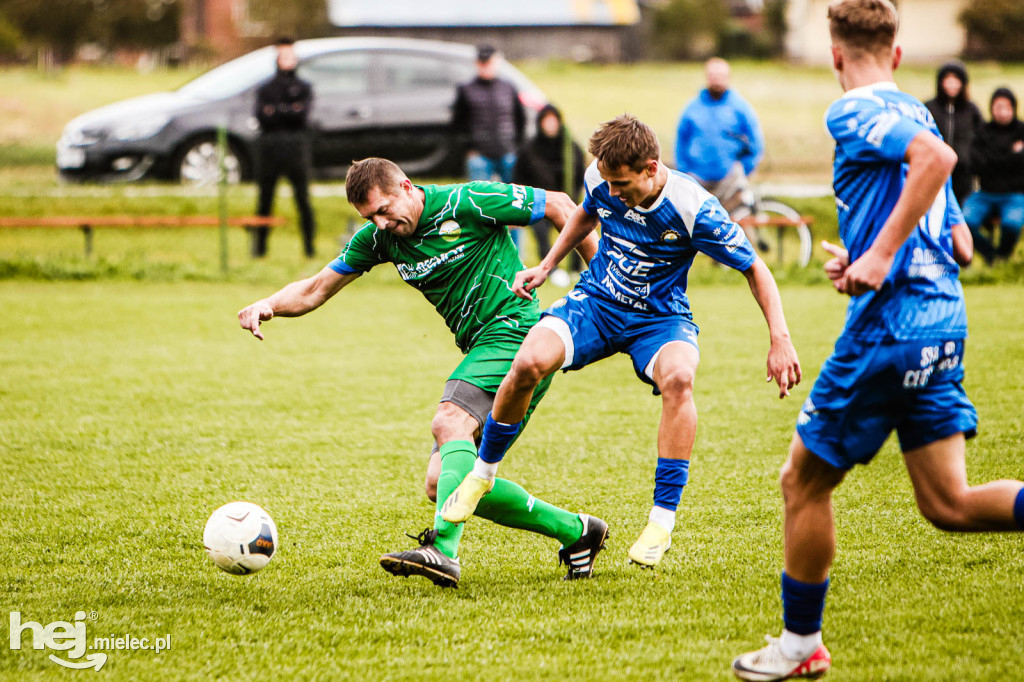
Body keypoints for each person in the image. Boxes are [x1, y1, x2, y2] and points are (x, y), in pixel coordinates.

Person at [732, 1, 1021, 679]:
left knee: (801, 481)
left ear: (837, 56)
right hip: (944, 320)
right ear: (896, 54)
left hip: (891, 326)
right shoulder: (914, 110)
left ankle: (801, 646)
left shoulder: (853, 109)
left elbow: (938, 156)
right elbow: (959, 241)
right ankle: (800, 646)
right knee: (947, 503)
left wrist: (881, 255)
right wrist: (861, 254)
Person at [440, 114, 801, 570]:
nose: (612, 191)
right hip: (597, 301)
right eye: (607, 182)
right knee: (528, 360)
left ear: (651, 168)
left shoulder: (694, 207)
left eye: (622, 184)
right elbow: (585, 213)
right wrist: (547, 265)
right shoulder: (601, 176)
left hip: (659, 318)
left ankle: (661, 521)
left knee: (680, 378)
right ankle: (482, 475)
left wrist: (780, 339)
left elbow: (755, 268)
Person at [238, 158, 605, 588]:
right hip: (484, 348)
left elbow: (561, 204)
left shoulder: (468, 200)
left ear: (406, 187)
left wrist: (603, 281)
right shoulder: (379, 240)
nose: (381, 222)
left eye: (384, 209)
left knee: (448, 420)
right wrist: (269, 304)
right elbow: (316, 288)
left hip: (516, 332)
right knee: (441, 484)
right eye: (369, 217)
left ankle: (443, 552)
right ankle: (578, 533)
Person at [451, 44, 527, 255]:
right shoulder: (466, 89)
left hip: (507, 153)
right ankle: (483, 253)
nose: (486, 67)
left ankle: (515, 255)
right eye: (482, 63)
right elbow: (457, 125)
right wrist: (469, 149)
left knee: (514, 205)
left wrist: (516, 147)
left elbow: (520, 120)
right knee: (478, 205)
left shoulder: (508, 87)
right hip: (479, 155)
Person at [251, 37, 316, 259]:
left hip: (296, 149)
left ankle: (309, 248)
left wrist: (278, 111)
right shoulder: (266, 88)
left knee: (303, 200)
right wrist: (288, 110)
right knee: (265, 199)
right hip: (270, 149)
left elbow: (301, 115)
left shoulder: (304, 87)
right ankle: (259, 249)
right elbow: (262, 116)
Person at [675, 57, 765, 212]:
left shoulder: (740, 107)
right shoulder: (692, 108)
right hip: (698, 179)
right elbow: (681, 141)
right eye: (713, 76)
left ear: (728, 78)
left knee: (739, 221)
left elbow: (755, 140)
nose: (716, 81)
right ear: (706, 77)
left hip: (729, 180)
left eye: (721, 76)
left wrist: (746, 167)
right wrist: (685, 171)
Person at [512, 104, 586, 283]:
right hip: (540, 204)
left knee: (575, 231)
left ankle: (576, 268)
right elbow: (519, 176)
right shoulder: (529, 149)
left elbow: (579, 173)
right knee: (541, 232)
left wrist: (572, 196)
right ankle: (551, 270)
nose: (550, 125)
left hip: (567, 201)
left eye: (554, 121)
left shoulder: (570, 147)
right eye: (547, 121)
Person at [962, 87, 1024, 264]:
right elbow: (975, 165)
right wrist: (1013, 156)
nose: (1003, 112)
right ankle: (992, 256)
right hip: (985, 193)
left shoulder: (1021, 130)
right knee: (965, 222)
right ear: (992, 108)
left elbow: (988, 162)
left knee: (1011, 225)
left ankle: (1002, 257)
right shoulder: (983, 131)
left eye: (1007, 107)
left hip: (1015, 194)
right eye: (999, 107)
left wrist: (994, 158)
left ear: (1014, 108)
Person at [924, 61, 983, 207]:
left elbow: (982, 137)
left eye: (956, 80)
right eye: (948, 79)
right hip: (936, 169)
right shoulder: (929, 108)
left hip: (964, 173)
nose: (952, 84)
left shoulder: (972, 110)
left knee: (961, 208)